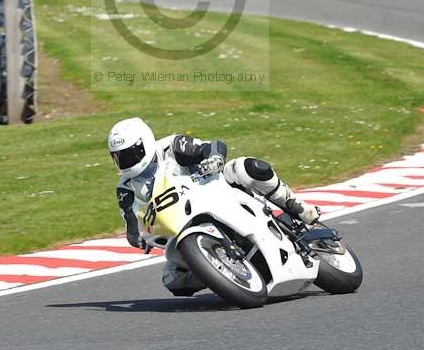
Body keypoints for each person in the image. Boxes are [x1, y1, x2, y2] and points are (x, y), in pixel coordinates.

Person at [108, 117, 320, 296]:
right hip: (180, 224)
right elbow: (131, 224)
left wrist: (215, 158)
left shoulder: (171, 146)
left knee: (246, 167)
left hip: (215, 189)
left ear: (145, 142)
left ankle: (297, 206)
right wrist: (139, 238)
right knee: (172, 280)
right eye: (118, 157)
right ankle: (224, 274)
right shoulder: (125, 188)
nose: (125, 161)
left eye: (129, 154)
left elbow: (211, 146)